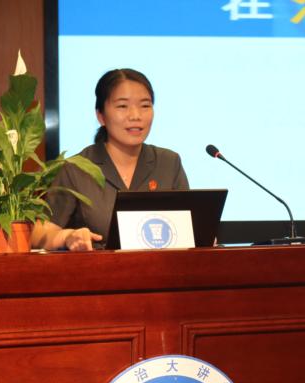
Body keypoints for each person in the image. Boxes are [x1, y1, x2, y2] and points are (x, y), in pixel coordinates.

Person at [32, 68, 189, 251]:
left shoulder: (169, 163)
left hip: (162, 267)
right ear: (101, 116)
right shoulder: (77, 168)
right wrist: (67, 236)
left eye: (145, 105)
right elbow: (39, 233)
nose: (135, 116)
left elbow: (189, 225)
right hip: (98, 267)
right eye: (122, 106)